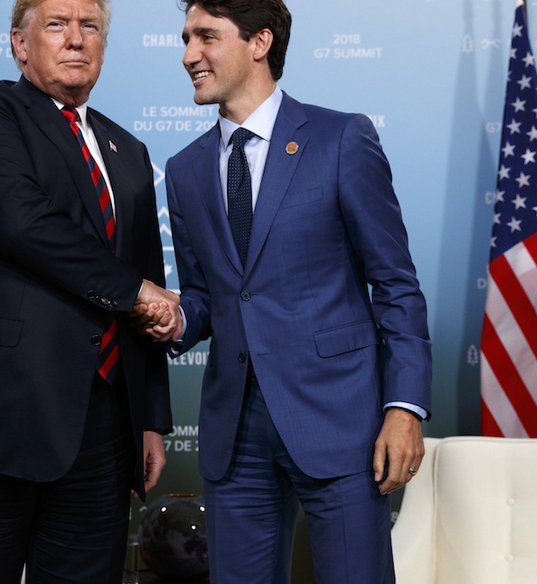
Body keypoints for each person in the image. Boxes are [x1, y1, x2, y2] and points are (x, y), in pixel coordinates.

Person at [0, 0, 180, 582]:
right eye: (56, 25)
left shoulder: (130, 153)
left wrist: (150, 417)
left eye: (91, 27)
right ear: (20, 45)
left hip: (102, 433)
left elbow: (146, 275)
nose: (76, 39)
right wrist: (135, 291)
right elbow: (22, 222)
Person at [163, 1, 432, 581]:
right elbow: (208, 297)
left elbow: (395, 284)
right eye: (185, 38)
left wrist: (404, 406)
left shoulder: (340, 138)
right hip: (235, 435)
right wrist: (174, 318)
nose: (188, 55)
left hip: (341, 421)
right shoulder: (184, 170)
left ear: (259, 42)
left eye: (206, 37)